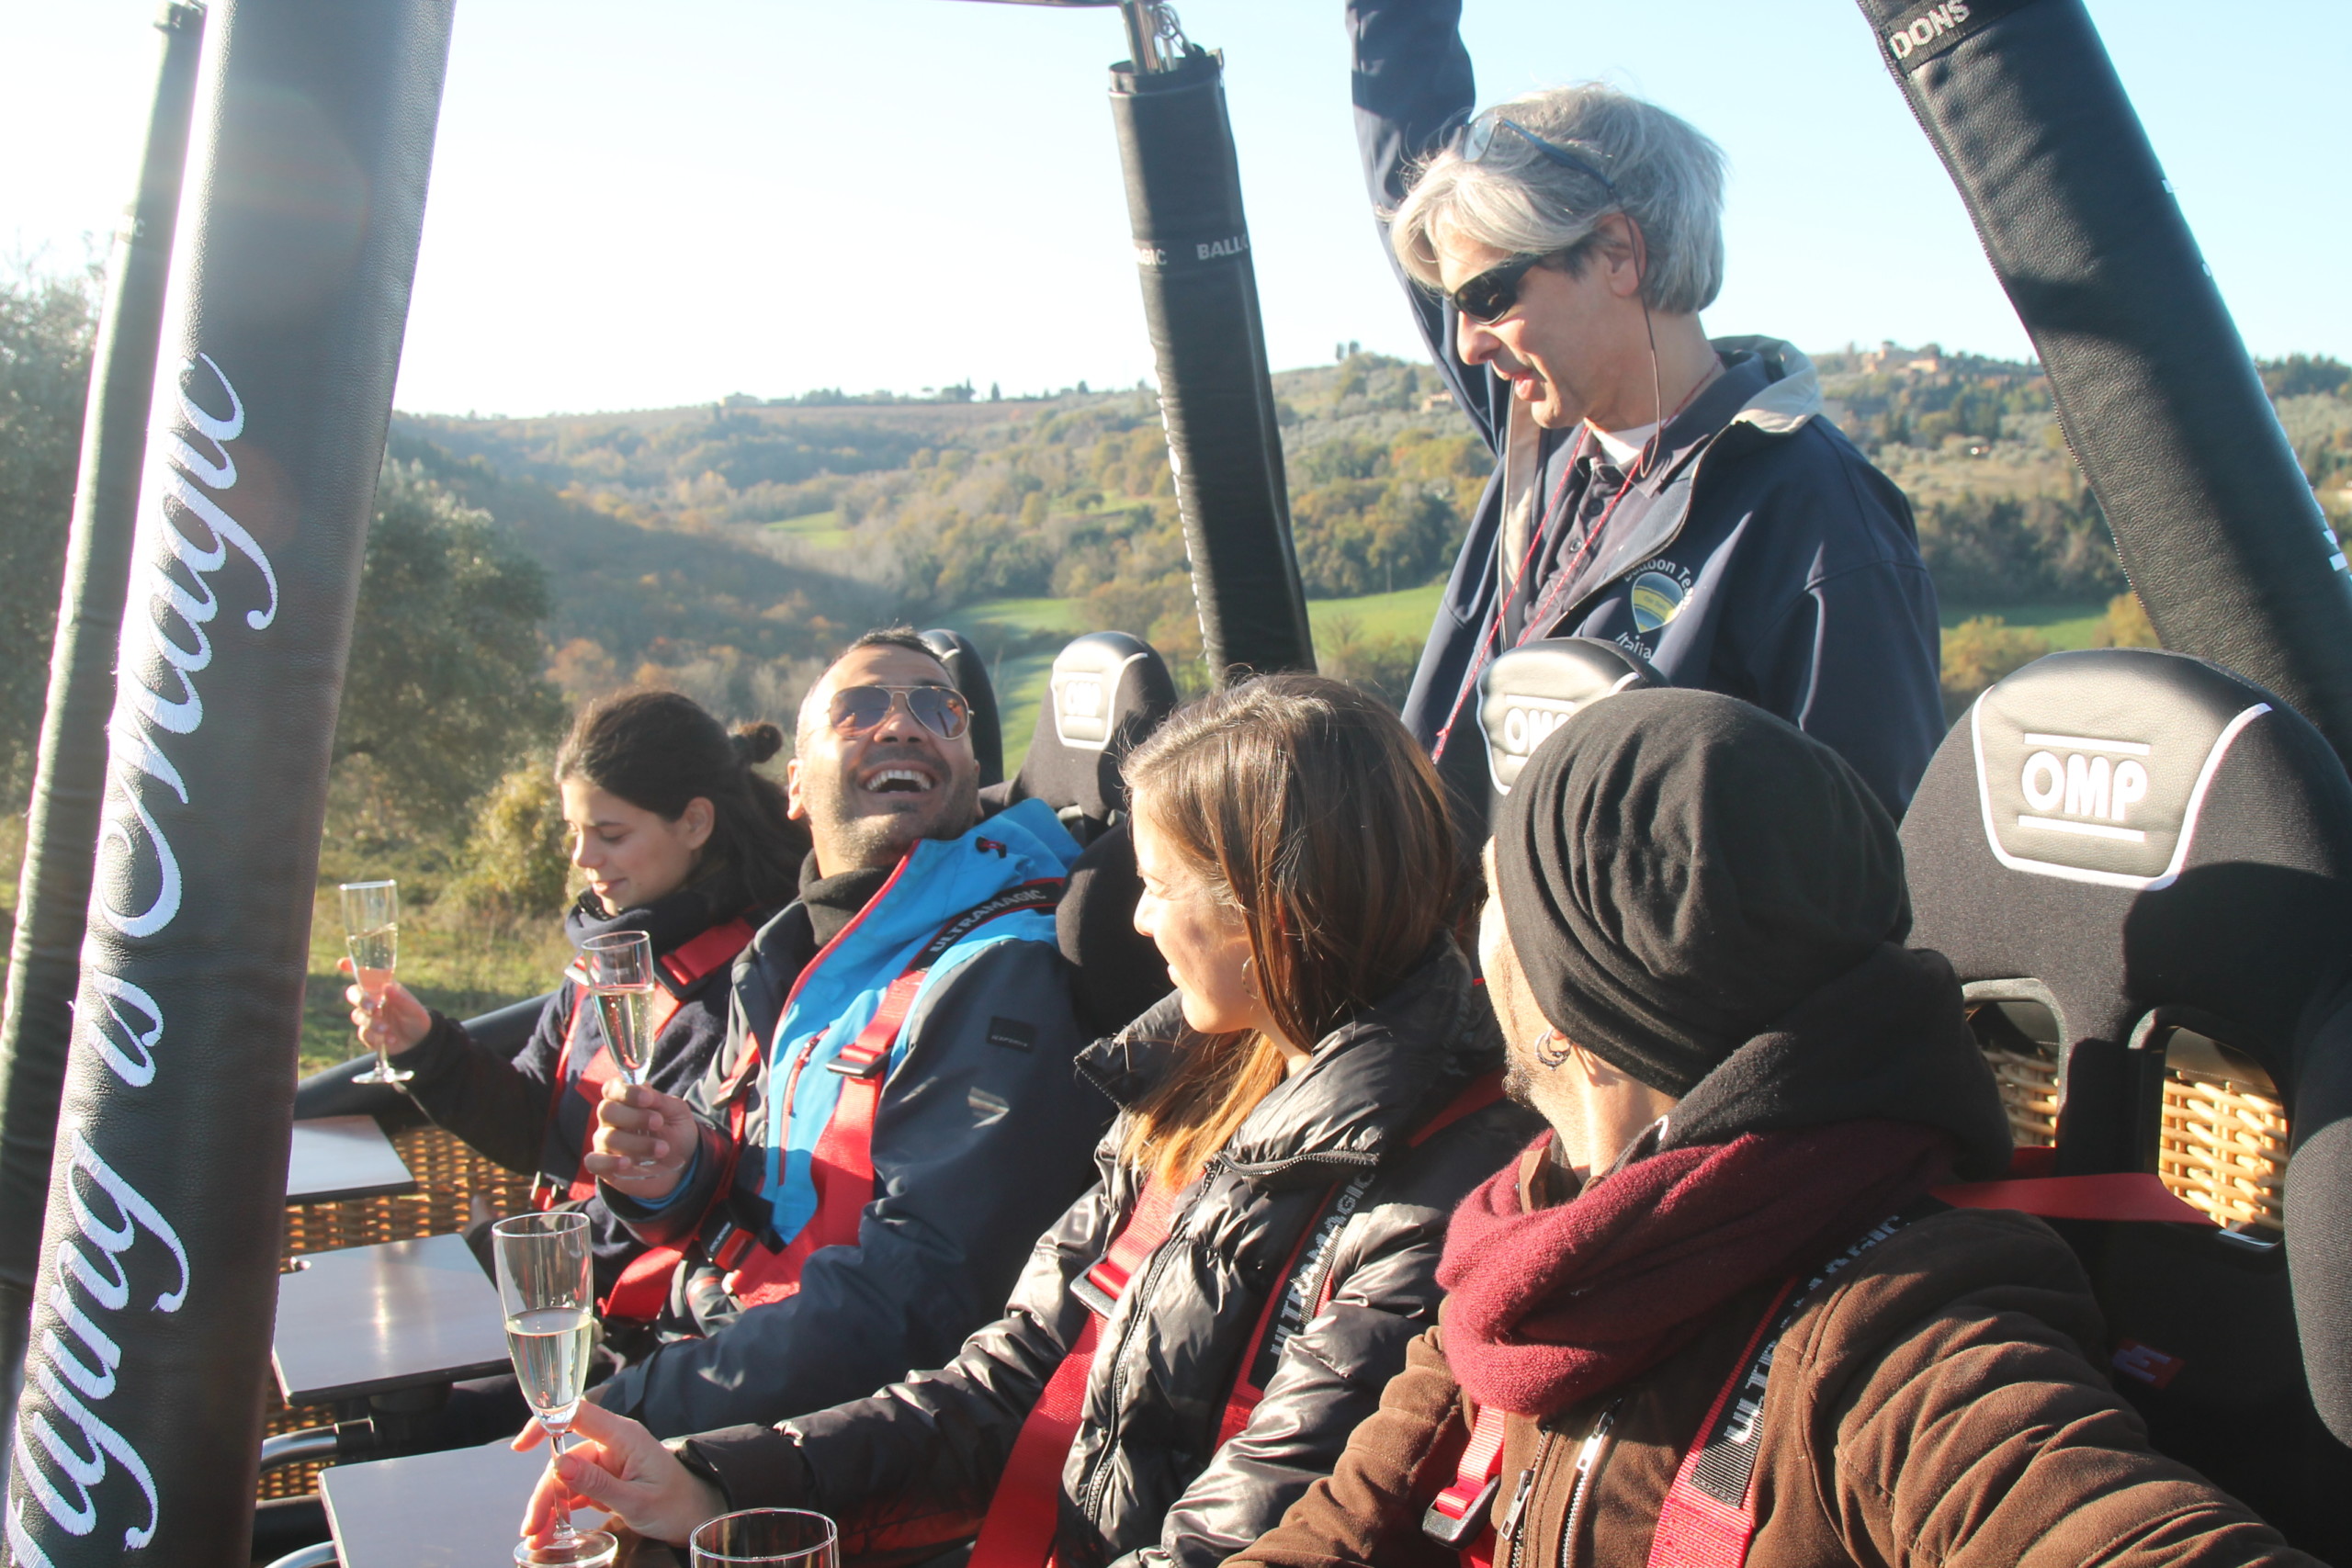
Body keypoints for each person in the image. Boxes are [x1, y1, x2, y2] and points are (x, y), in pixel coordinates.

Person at [1221, 687, 2320, 1568]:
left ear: (1584, 1011)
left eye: (1499, 898)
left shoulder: (1892, 1330)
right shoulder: (1534, 1248)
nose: (1474, 932)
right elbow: (1337, 1526)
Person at [515, 674, 1541, 1559]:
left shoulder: (1442, 1192)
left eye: (1156, 886)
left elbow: (1255, 1531)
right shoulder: (1194, 1090)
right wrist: (712, 1482)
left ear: (1268, 913)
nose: (1135, 921)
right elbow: (1007, 1385)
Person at [1351, 0, 1945, 818]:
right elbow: (1406, 138)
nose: (1466, 347)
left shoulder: (1817, 523)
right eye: (1453, 305)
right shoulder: (1547, 447)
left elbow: (1851, 881)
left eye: (1488, 296)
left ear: (1619, 254)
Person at [575, 628, 1113, 1436]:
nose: (901, 726)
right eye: (859, 708)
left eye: (939, 708)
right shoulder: (788, 952)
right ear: (794, 784)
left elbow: (917, 1301)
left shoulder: (999, 970)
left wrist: (636, 1405)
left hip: (819, 1446)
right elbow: (768, 1193)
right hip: (709, 1357)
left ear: (970, 772)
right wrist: (681, 1170)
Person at [345, 689, 803, 1306]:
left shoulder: (745, 983)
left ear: (695, 822)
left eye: (609, 833)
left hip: (629, 1322)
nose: (582, 858)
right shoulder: (612, 952)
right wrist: (424, 1046)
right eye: (575, 831)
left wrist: (488, 1257)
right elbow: (538, 1125)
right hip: (559, 1280)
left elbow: (657, 1214)